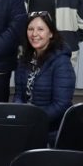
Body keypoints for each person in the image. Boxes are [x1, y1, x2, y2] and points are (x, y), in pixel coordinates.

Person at [14, 12, 75, 145]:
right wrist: (19, 114)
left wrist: (33, 119)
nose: (34, 34)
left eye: (40, 29)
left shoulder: (61, 62)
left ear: (51, 33)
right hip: (27, 125)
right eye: (30, 29)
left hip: (51, 130)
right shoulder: (24, 59)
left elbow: (61, 104)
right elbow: (18, 94)